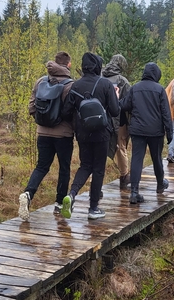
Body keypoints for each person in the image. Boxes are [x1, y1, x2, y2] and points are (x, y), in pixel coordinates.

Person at [60, 52, 120, 220]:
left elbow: (66, 112)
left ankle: (71, 195)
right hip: (102, 133)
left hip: (83, 133)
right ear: (97, 66)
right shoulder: (105, 84)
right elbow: (115, 111)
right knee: (98, 170)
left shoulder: (75, 86)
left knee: (85, 166)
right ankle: (93, 208)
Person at [18, 52, 74, 221]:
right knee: (64, 168)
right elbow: (71, 111)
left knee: (41, 166)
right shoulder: (70, 85)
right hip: (63, 134)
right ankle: (58, 204)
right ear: (68, 65)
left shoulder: (41, 81)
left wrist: (41, 121)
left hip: (42, 133)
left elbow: (32, 106)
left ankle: (28, 194)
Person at [120, 63, 172, 204]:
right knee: (156, 158)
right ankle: (160, 184)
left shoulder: (135, 88)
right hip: (155, 131)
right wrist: (170, 132)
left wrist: (117, 96)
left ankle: (134, 192)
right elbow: (166, 113)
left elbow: (124, 105)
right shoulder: (160, 90)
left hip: (137, 130)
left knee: (137, 159)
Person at [102, 54, 131, 189]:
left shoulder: (100, 78)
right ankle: (124, 176)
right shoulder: (122, 81)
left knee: (98, 150)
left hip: (101, 120)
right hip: (119, 121)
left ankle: (93, 182)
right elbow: (129, 102)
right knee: (121, 148)